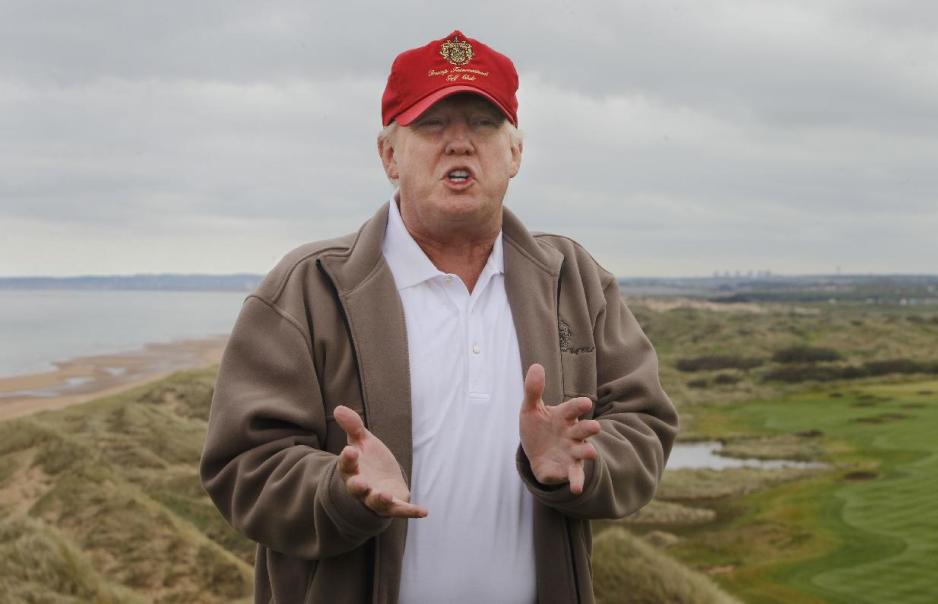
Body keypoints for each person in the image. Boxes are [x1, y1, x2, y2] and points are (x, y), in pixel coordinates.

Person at [200, 30, 679, 604]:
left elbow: (644, 424)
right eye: (430, 125)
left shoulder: (574, 278)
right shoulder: (308, 286)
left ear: (515, 153)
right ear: (389, 156)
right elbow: (244, 465)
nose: (459, 144)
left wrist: (579, 461)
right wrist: (340, 488)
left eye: (482, 123)